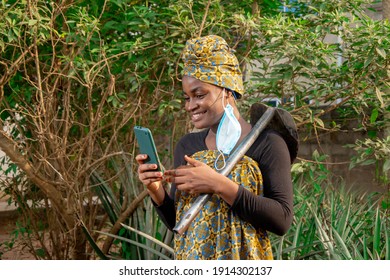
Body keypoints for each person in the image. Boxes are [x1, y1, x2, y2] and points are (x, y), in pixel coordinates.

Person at [136, 35, 294, 260]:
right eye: (187, 97)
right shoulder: (188, 146)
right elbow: (178, 223)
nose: (190, 106)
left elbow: (282, 220)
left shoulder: (267, 143)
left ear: (227, 90)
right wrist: (155, 189)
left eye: (199, 95)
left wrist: (218, 184)